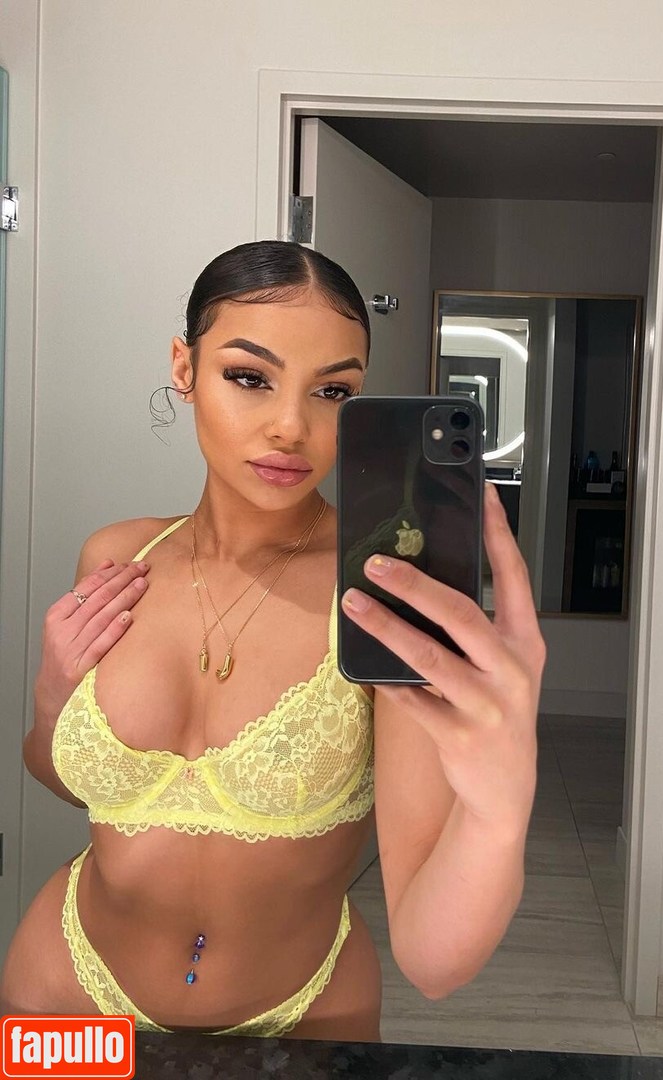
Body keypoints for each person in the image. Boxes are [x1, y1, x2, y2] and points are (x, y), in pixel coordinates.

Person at [0, 240, 545, 1039]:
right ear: (184, 367)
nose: (292, 426)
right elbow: (65, 780)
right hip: (62, 989)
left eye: (332, 391)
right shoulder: (116, 557)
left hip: (303, 1018)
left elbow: (434, 962)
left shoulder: (381, 598)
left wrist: (500, 805)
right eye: (250, 377)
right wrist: (52, 704)